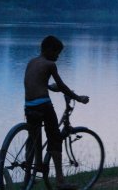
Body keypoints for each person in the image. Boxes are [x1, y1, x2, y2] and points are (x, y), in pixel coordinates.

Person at [24, 35, 89, 189]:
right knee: (55, 139)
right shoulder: (50, 65)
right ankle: (60, 181)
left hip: (29, 106)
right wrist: (78, 98)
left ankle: (29, 177)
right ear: (48, 50)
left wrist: (51, 88)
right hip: (43, 106)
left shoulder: (32, 62)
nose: (58, 56)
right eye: (56, 52)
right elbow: (62, 85)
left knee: (33, 139)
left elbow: (36, 83)